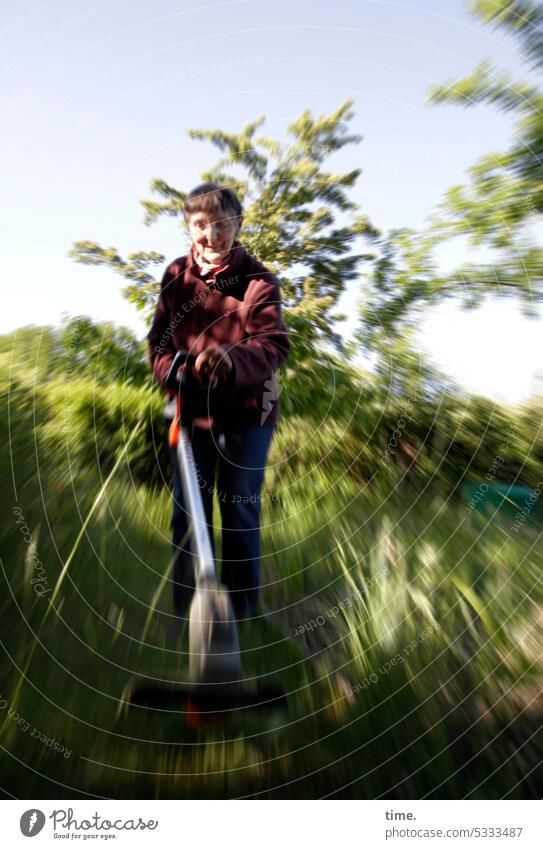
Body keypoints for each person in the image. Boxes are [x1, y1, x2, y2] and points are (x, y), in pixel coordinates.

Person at [147, 182, 290, 619]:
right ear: (189, 229)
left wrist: (228, 360)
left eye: (221, 224)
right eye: (200, 225)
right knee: (188, 514)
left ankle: (242, 613)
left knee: (239, 507)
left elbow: (272, 345)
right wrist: (172, 369)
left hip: (249, 413)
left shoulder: (259, 282)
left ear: (238, 224)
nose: (211, 235)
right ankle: (188, 612)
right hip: (191, 411)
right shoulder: (176, 276)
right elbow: (158, 344)